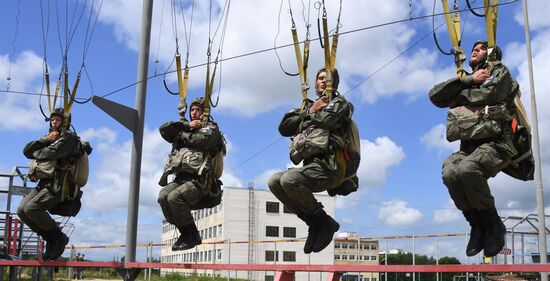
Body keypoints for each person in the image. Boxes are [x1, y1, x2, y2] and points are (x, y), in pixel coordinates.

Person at [429, 41, 520, 257]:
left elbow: (490, 95)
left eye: (479, 49)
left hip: (498, 143)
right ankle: (477, 226)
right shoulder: (468, 81)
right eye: (473, 49)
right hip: (470, 147)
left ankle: (495, 226)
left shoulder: (499, 71)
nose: (474, 51)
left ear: (489, 54)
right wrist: (468, 80)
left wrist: (460, 96)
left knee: (467, 170)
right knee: (451, 172)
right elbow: (435, 96)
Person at [268, 68, 354, 254]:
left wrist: (305, 119)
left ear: (335, 83)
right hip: (312, 168)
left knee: (289, 179)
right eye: (320, 78)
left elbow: (327, 120)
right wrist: (310, 110)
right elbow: (284, 128)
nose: (323, 81)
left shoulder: (340, 103)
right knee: (274, 181)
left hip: (331, 166)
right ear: (315, 83)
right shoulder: (308, 105)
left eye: (327, 79)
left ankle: (323, 222)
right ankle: (316, 223)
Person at [18, 108, 86, 260]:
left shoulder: (69, 138)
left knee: (31, 208)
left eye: (58, 120)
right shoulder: (50, 137)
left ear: (65, 122)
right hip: (45, 182)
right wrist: (45, 141)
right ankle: (51, 237)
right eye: (52, 119)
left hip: (59, 184)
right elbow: (27, 151)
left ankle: (58, 238)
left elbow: (49, 154)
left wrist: (42, 149)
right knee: (22, 210)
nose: (54, 122)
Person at [158, 97, 224, 251]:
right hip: (181, 179)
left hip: (201, 181)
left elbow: (204, 141)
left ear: (204, 112)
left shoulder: (211, 128)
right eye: (192, 110)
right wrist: (186, 125)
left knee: (174, 197)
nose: (194, 113)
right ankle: (185, 233)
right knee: (163, 196)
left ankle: (192, 235)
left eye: (197, 110)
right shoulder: (185, 127)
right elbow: (164, 129)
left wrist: (182, 135)